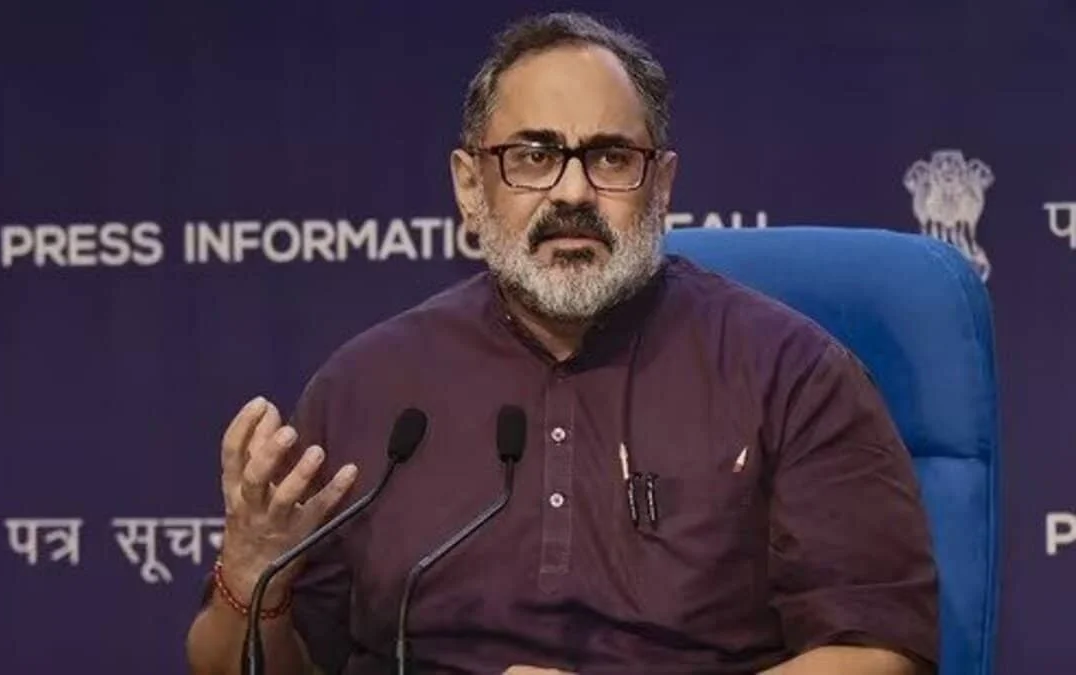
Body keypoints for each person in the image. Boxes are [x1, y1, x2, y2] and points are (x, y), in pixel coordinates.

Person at [185, 11, 939, 675]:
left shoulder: (790, 374)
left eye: (610, 157)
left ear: (662, 186)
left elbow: (877, 652)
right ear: (470, 186)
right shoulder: (367, 387)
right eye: (534, 156)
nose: (573, 192)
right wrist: (250, 582)